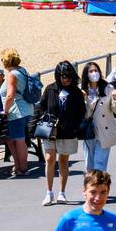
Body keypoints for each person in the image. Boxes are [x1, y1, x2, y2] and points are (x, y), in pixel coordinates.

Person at [36, 60, 84, 205]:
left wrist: (74, 125)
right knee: (50, 159)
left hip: (67, 131)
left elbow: (81, 111)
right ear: (58, 76)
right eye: (63, 76)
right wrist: (44, 121)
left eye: (69, 76)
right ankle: (49, 192)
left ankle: (62, 192)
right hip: (50, 130)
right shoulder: (50, 89)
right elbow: (42, 106)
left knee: (63, 161)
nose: (66, 79)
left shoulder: (76, 92)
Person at [0, 48, 35, 176]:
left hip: (16, 111)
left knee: (19, 140)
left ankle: (22, 168)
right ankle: (19, 166)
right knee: (14, 140)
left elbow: (10, 95)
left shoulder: (12, 74)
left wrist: (5, 111)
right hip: (27, 109)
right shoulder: (22, 70)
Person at [80, 61, 116, 172]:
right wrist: (83, 100)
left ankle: (98, 185)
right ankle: (90, 186)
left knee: (100, 163)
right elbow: (80, 113)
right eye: (91, 71)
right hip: (89, 131)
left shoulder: (108, 88)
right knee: (90, 163)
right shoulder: (81, 90)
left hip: (105, 130)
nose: (94, 73)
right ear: (86, 74)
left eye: (96, 70)